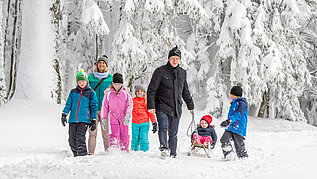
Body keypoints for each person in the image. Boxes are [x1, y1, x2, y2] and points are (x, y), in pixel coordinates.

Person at [147, 46, 194, 158]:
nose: (174, 60)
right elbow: (151, 89)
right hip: (162, 105)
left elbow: (185, 91)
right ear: (168, 59)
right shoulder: (160, 71)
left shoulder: (182, 73)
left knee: (173, 133)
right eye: (172, 58)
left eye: (177, 59)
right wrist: (151, 105)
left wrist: (190, 105)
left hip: (176, 107)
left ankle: (173, 153)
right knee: (163, 127)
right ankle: (164, 148)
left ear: (179, 60)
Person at [61, 69, 98, 157]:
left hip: (84, 120)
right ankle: (76, 155)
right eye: (79, 81)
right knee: (71, 140)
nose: (81, 83)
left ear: (86, 81)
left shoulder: (91, 93)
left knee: (80, 139)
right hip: (73, 120)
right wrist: (64, 114)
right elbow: (68, 104)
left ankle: (82, 156)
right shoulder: (73, 92)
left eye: (83, 81)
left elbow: (94, 107)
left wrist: (93, 120)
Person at [101, 73, 132, 152]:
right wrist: (103, 119)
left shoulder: (126, 93)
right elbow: (104, 107)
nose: (117, 86)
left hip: (124, 117)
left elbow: (129, 105)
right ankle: (113, 151)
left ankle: (124, 150)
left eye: (119, 84)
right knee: (113, 135)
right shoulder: (108, 94)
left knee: (124, 134)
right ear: (112, 84)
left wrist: (128, 114)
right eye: (115, 84)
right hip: (113, 117)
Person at [87, 55, 113, 155]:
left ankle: (108, 151)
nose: (101, 65)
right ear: (97, 65)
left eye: (103, 63)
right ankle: (91, 153)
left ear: (106, 65)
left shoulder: (110, 78)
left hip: (105, 110)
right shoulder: (90, 77)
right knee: (92, 133)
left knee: (105, 133)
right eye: (100, 63)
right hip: (92, 109)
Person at [220, 84, 248, 160]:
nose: (230, 96)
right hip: (231, 126)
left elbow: (238, 114)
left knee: (239, 145)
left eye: (231, 95)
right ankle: (229, 155)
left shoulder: (242, 103)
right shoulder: (234, 103)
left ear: (236, 96)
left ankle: (243, 158)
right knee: (224, 139)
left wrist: (228, 120)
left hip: (238, 127)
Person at [131, 85, 157, 152]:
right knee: (135, 138)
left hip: (144, 123)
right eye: (138, 91)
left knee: (143, 138)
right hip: (135, 123)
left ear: (144, 92)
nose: (139, 92)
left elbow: (150, 113)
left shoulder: (146, 101)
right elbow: (128, 109)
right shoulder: (132, 101)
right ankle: (134, 151)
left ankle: (144, 151)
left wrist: (154, 122)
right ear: (136, 93)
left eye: (141, 91)